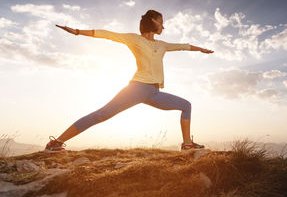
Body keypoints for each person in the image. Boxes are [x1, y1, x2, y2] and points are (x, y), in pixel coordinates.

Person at [44, 9, 214, 153]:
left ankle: (187, 144)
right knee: (102, 114)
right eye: (161, 22)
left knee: (186, 106)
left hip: (154, 92)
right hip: (137, 88)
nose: (163, 26)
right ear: (153, 21)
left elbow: (184, 46)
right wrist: (78, 31)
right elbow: (108, 35)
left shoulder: (162, 45)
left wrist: (201, 50)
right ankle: (56, 143)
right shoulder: (135, 39)